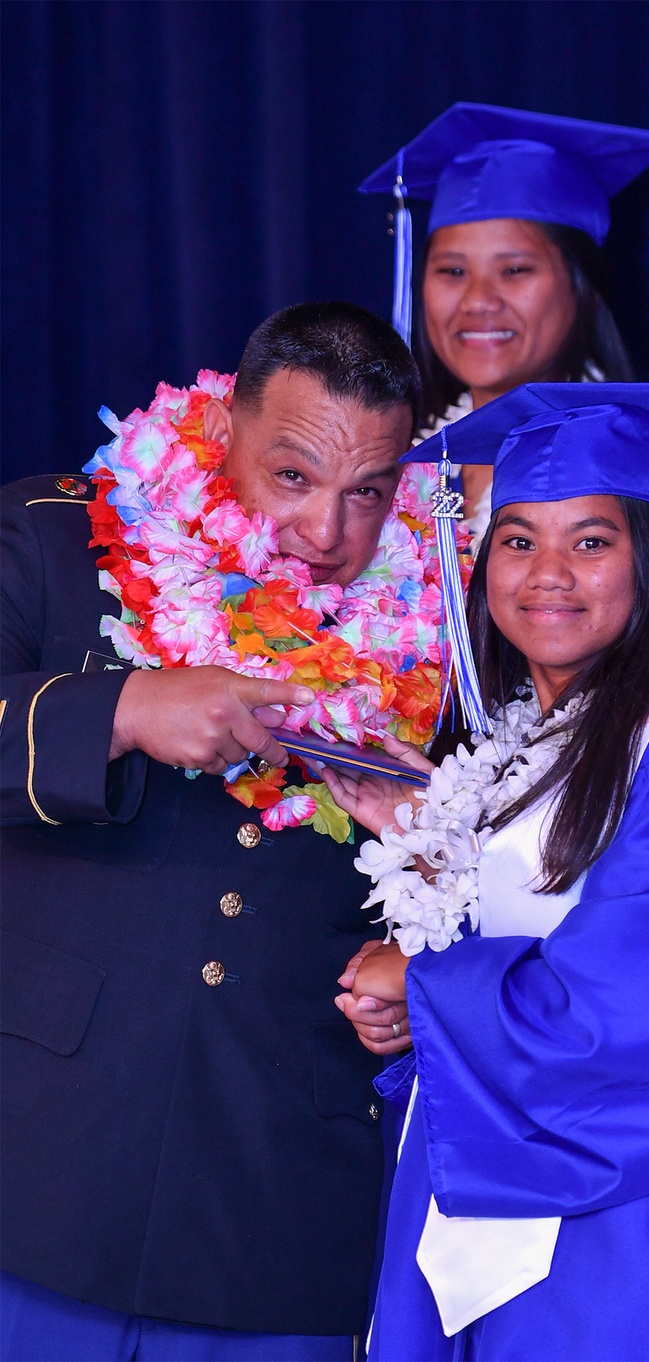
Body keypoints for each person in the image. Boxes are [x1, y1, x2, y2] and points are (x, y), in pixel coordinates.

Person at [0, 302, 428, 1360]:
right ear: (224, 426)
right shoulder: (62, 535)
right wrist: (123, 710)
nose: (326, 534)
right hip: (42, 1164)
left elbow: (507, 869)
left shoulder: (450, 621)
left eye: (366, 494)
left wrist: (425, 959)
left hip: (279, 1205)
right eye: (292, 477)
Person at [328, 384, 649, 1361]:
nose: (548, 574)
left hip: (621, 1216)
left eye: (590, 542)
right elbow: (516, 918)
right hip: (502, 1176)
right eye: (518, 540)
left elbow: (630, 997)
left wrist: (423, 991)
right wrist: (413, 980)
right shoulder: (523, 735)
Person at [359, 104, 649, 631]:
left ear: (583, 290)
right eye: (452, 270)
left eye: (514, 270)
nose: (478, 300)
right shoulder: (397, 469)